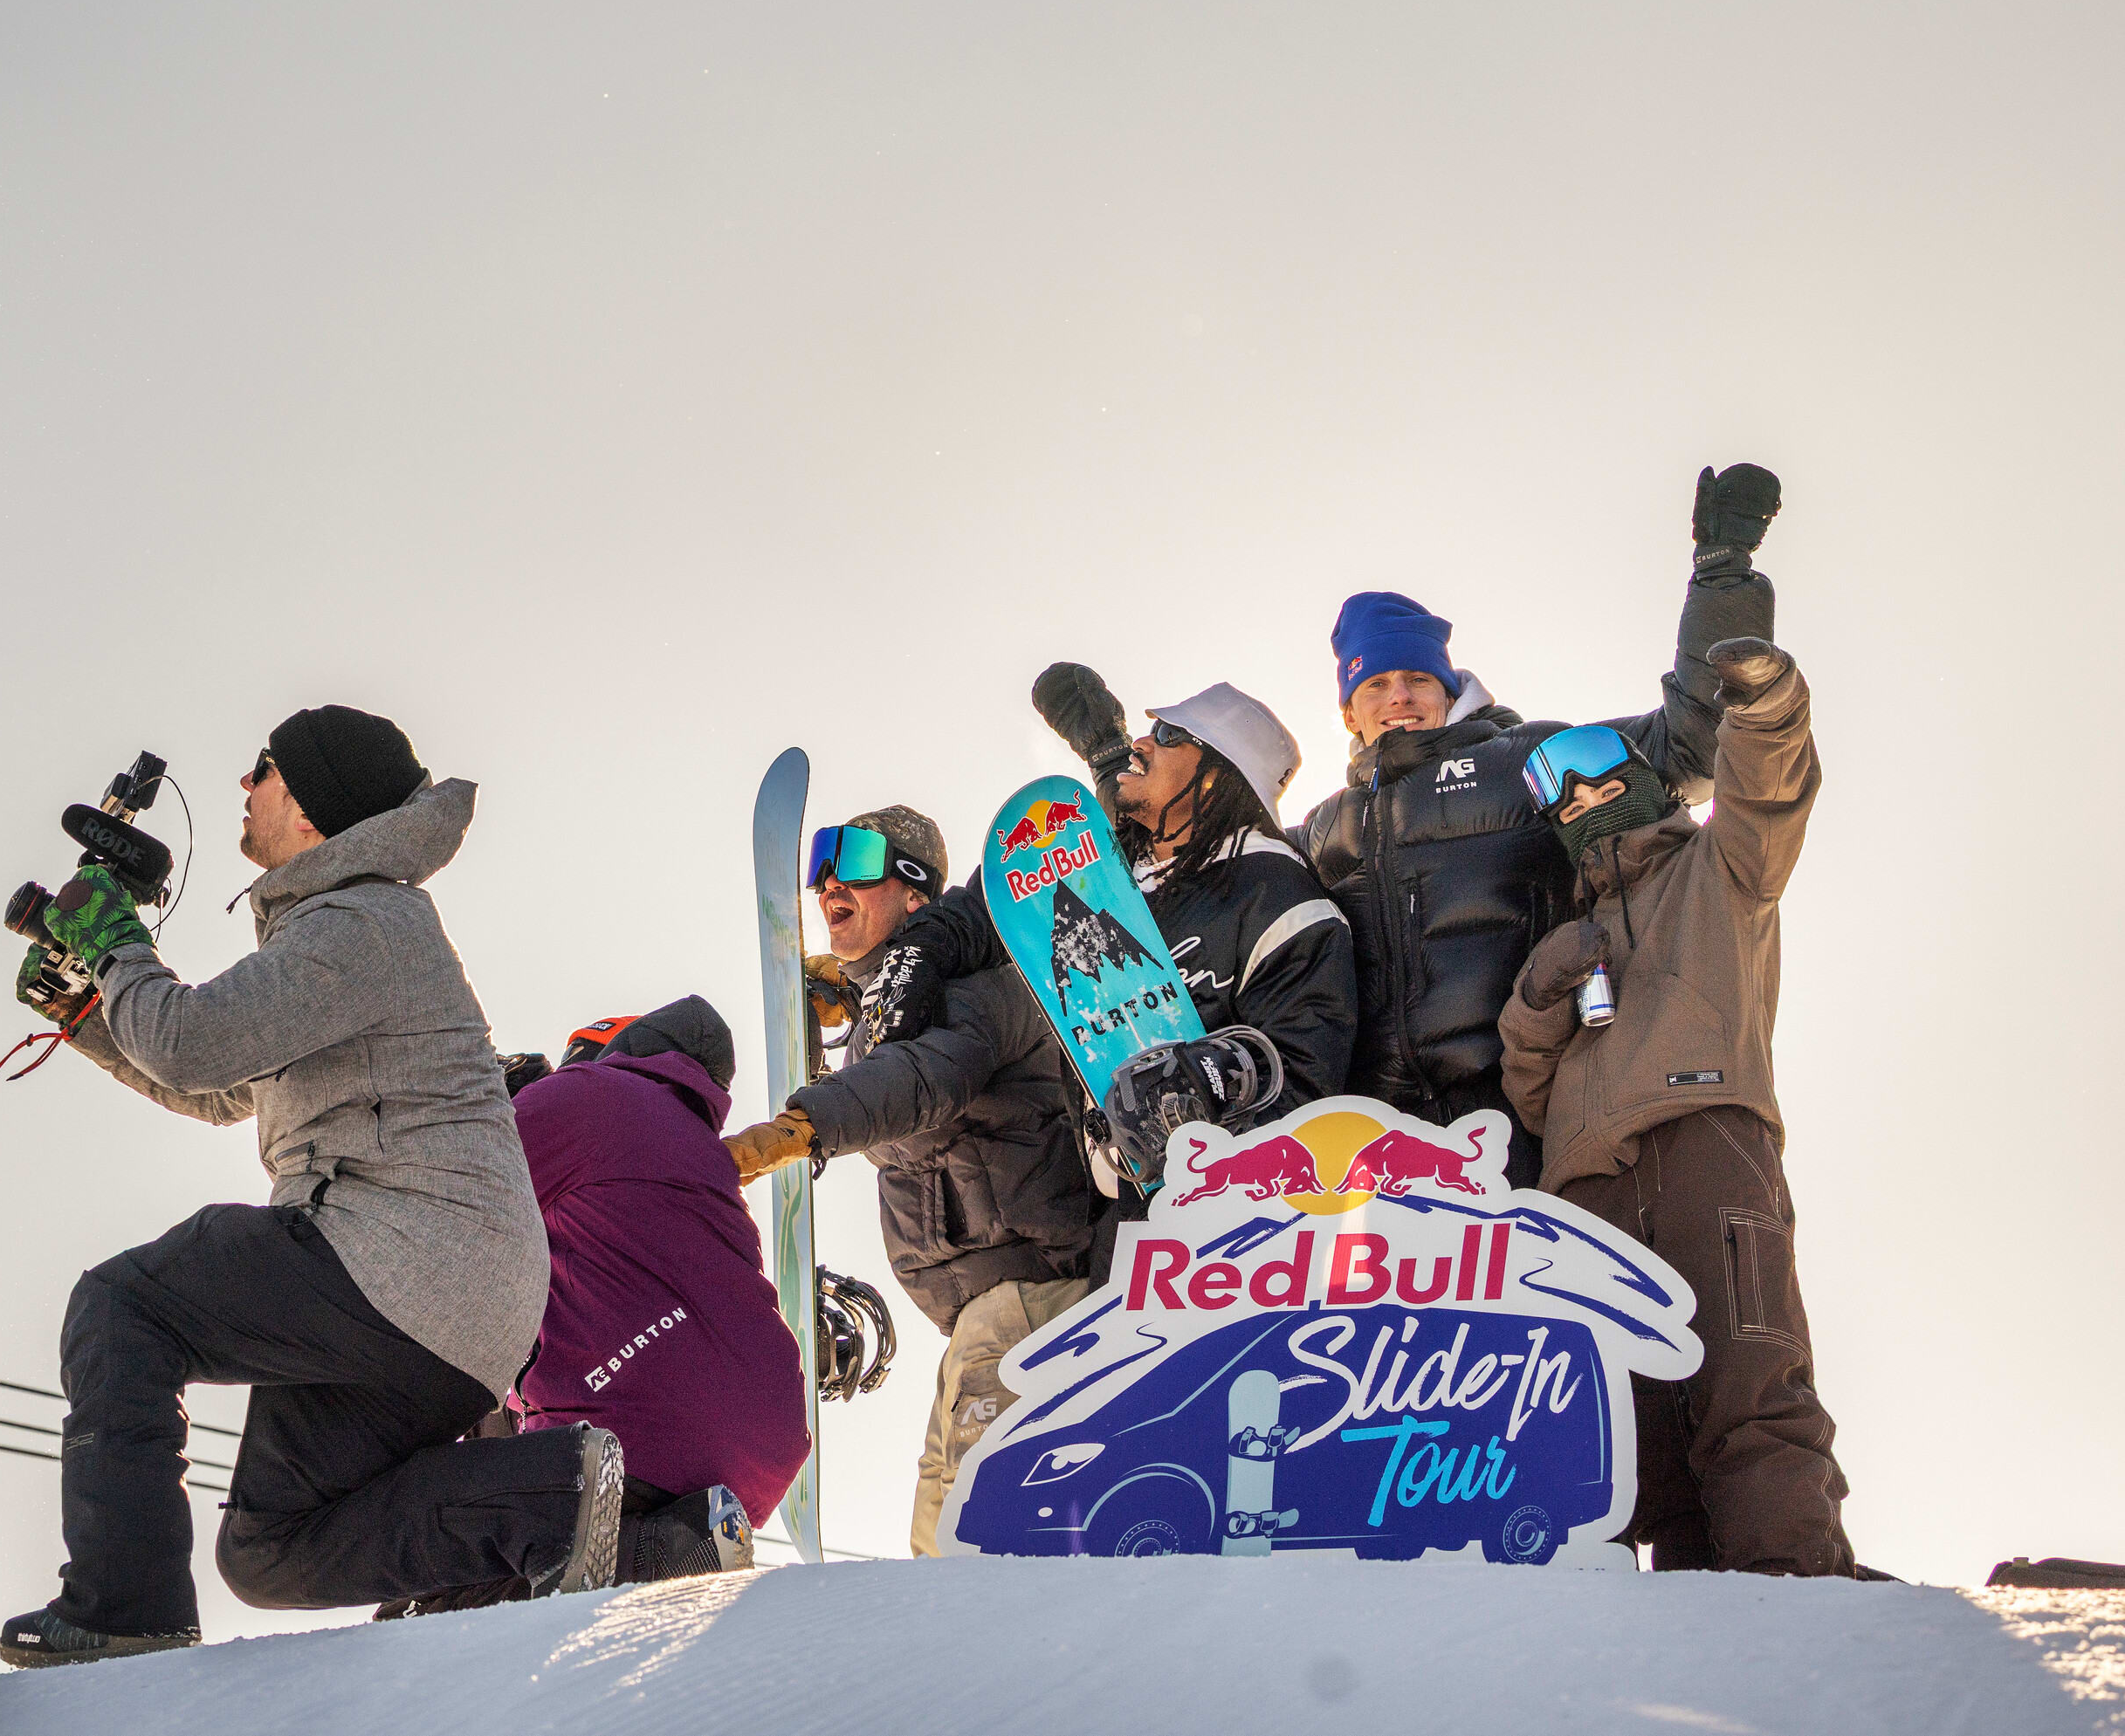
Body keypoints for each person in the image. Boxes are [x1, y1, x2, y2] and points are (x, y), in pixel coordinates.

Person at [0, 706, 604, 1669]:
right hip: (452, 1312)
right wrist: (84, 1009)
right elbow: (220, 1086)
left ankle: (121, 1612)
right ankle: (553, 1491)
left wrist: (115, 945)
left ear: (315, 809)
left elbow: (192, 1041)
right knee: (268, 1550)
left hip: (404, 1252)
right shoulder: (348, 930)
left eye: (263, 768)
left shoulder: (363, 919)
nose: (244, 785)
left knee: (125, 1305)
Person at [1299, 464, 1785, 1185]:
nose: (1399, 697)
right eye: (1376, 684)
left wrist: (1722, 580)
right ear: (1349, 708)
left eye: (1418, 679)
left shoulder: (1525, 760)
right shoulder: (1317, 830)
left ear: (1449, 686)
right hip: (1371, 1149)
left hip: (1515, 1119)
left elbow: (1691, 744)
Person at [1497, 640, 1859, 1575]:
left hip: (1707, 1143)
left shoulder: (1717, 872)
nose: (1581, 805)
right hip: (1587, 1195)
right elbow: (1529, 1095)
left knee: (1746, 1377)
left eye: (1598, 781)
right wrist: (1539, 998)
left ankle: (1794, 1594)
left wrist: (1764, 702)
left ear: (1646, 781)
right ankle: (1659, 1630)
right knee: (1619, 1427)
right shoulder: (1568, 931)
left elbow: (1767, 797)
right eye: (1562, 803)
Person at [719, 807, 1104, 1557]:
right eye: (823, 862)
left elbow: (923, 1078)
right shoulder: (896, 1007)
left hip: (1030, 1307)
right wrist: (852, 999)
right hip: (984, 1323)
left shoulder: (979, 990)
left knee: (975, 1555)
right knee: (941, 1553)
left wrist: (805, 1124)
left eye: (859, 860)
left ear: (919, 895)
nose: (832, 878)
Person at [378, 997, 801, 1616]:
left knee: (438, 1599)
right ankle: (672, 1545)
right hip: (760, 1442)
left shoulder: (587, 1095)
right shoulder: (697, 1154)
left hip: (638, 1423)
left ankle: (662, 1549)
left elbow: (448, 1191)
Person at [1027, 667, 1357, 1177]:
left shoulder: (1279, 898)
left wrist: (1209, 1084)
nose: (1142, 741)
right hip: (1114, 1213)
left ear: (1219, 774)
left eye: (1168, 735)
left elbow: (1308, 1087)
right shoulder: (1112, 877)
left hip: (1229, 1216)